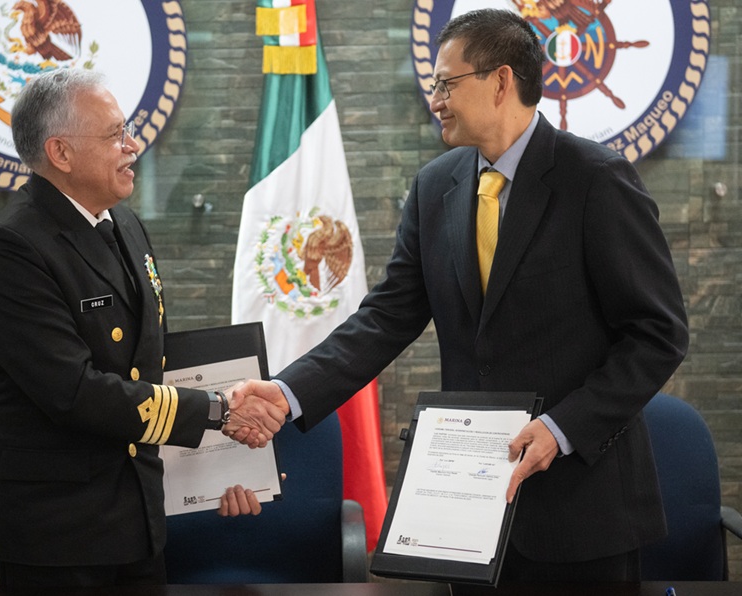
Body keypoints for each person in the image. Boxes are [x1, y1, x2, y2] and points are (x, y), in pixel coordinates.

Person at [232, 8, 689, 584]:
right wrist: (287, 392)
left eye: (446, 84)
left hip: (582, 511)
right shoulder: (435, 186)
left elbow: (658, 334)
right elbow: (386, 318)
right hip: (468, 514)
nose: (435, 100)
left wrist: (562, 428)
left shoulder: (596, 179)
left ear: (501, 81)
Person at [0, 68, 285, 589]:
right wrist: (218, 412)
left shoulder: (124, 223)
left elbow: (149, 364)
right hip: (58, 534)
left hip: (138, 521)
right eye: (114, 134)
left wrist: (232, 465)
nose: (132, 146)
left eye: (127, 130)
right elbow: (75, 392)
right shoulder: (12, 247)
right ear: (61, 152)